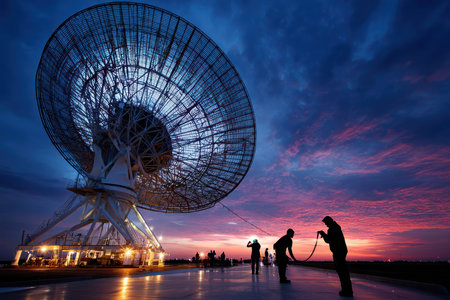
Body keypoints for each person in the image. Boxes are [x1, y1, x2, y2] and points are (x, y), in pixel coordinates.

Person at [318, 216, 353, 297]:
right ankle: (347, 290)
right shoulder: (335, 227)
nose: (325, 224)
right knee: (342, 271)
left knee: (342, 271)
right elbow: (330, 239)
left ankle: (347, 291)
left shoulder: (332, 228)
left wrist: (323, 234)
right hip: (340, 251)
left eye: (326, 223)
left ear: (329, 221)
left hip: (338, 252)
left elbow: (328, 240)